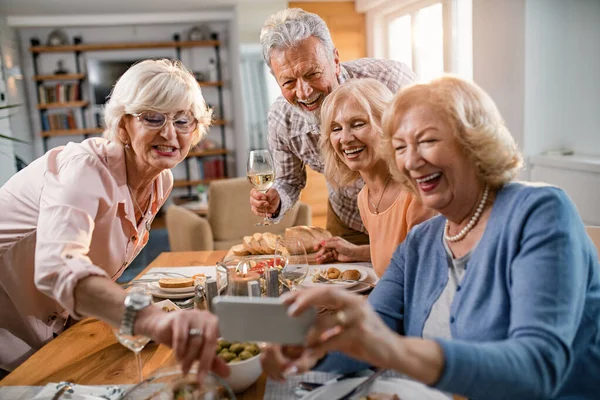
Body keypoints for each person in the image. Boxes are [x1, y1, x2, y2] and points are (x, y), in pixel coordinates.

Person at [260, 76, 600, 399]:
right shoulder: (421, 242)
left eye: (427, 141)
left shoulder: (539, 212)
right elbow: (372, 331)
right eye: (400, 147)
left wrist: (393, 349)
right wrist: (310, 347)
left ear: (473, 141)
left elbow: (537, 367)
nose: (411, 160)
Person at [0, 59, 228, 381]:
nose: (170, 133)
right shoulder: (84, 168)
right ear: (123, 125)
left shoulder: (161, 181)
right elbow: (58, 266)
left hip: (50, 330)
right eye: (152, 118)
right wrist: (150, 319)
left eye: (183, 120)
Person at [249, 8, 416, 245]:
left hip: (406, 211)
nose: (304, 92)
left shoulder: (392, 81)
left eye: (313, 74)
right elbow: (289, 180)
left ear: (335, 61)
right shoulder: (281, 119)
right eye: (288, 81)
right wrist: (276, 199)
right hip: (350, 217)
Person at [314, 78, 436, 275]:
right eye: (336, 128)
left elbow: (420, 276)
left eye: (358, 124)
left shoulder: (416, 192)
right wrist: (356, 252)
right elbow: (398, 255)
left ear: (388, 126)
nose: (345, 138)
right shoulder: (365, 198)